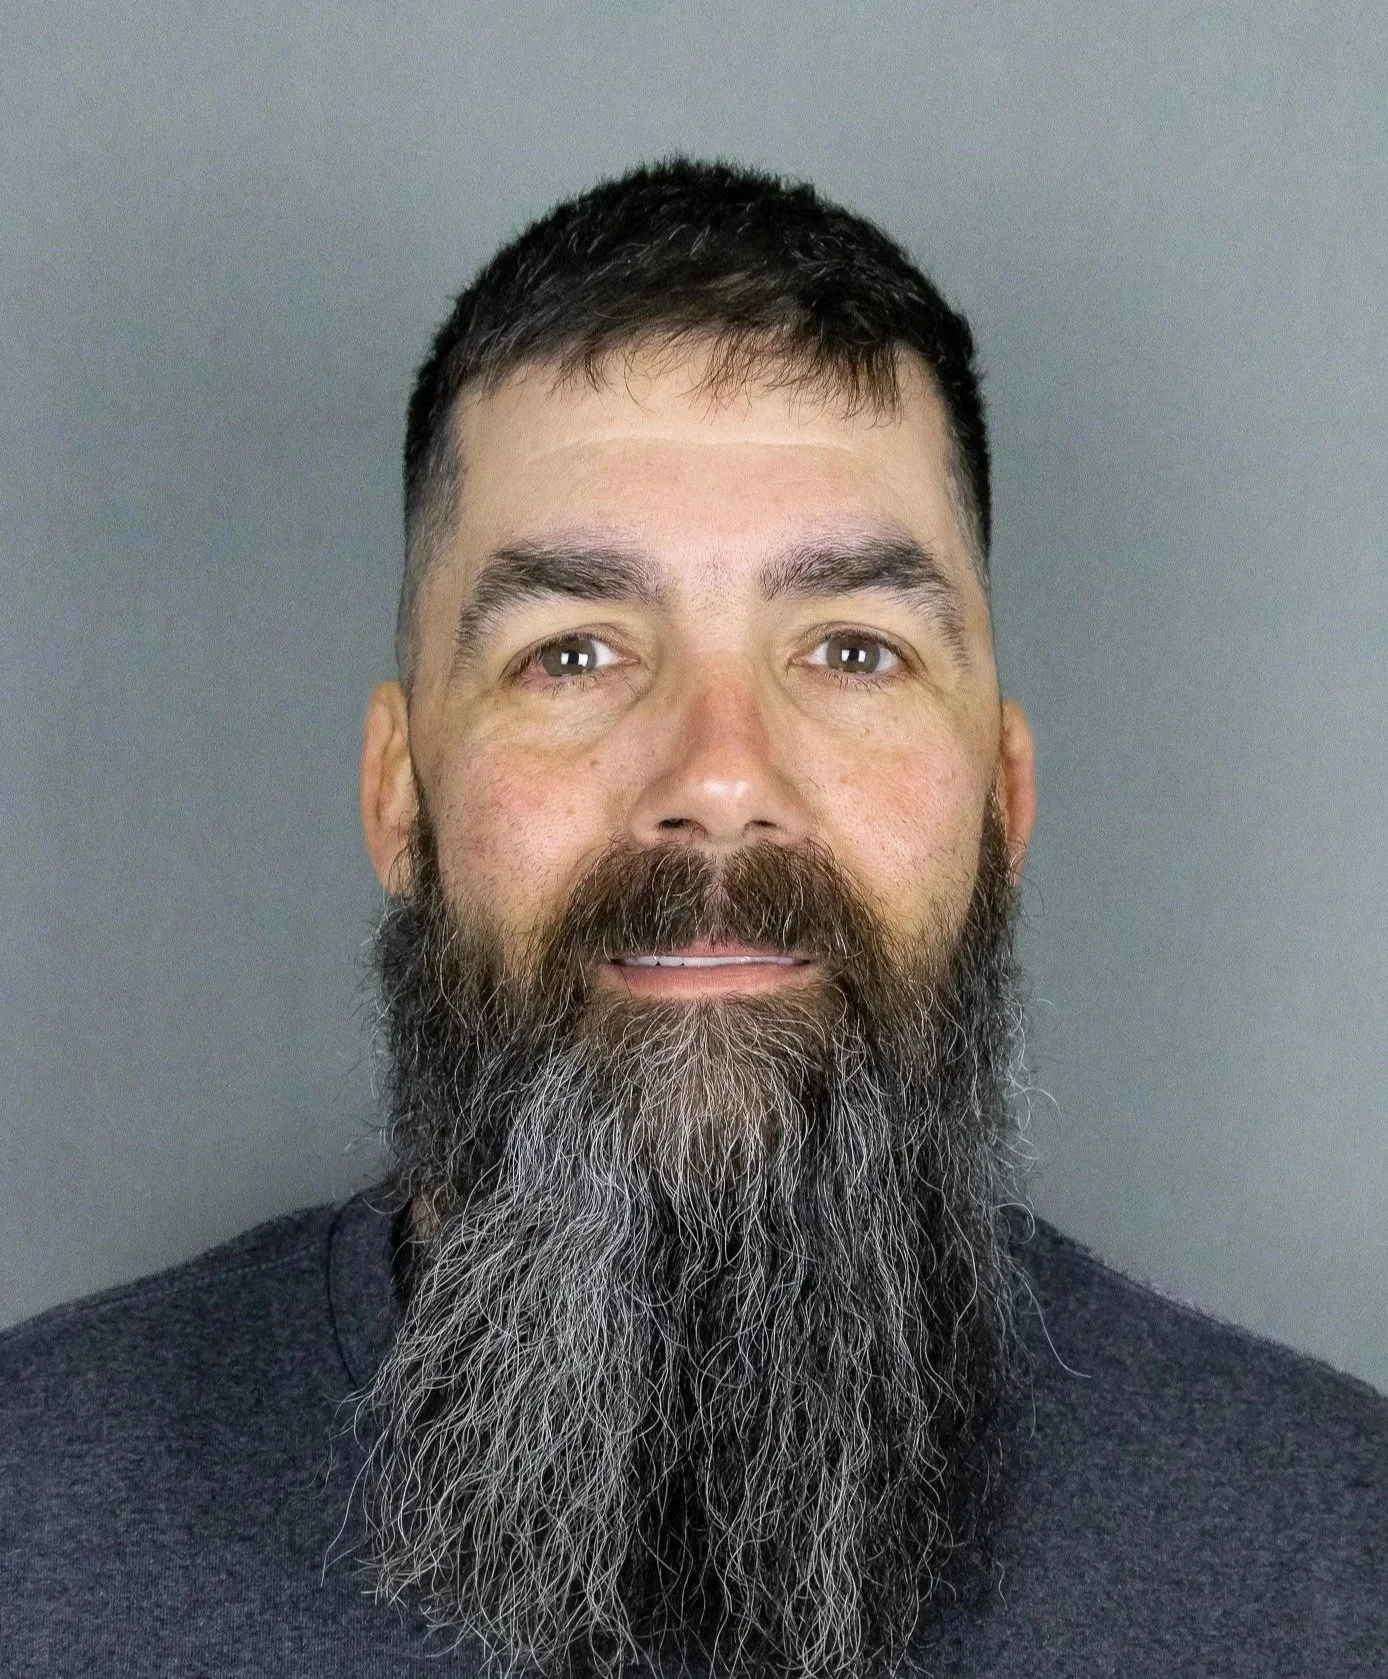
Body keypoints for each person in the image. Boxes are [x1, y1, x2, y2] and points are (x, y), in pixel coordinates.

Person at [2, 159, 1383, 1679]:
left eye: (852, 650)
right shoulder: (32, 1527)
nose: (721, 778)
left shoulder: (1336, 1560)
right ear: (401, 799)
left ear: (1001, 798)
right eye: (576, 652)